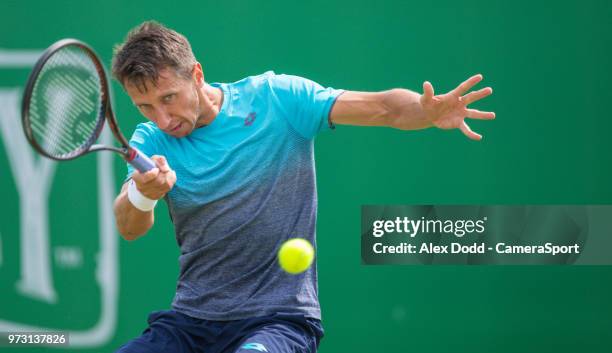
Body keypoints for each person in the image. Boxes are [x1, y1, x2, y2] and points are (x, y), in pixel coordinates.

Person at [112, 21, 494, 353]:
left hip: (280, 321)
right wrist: (146, 192)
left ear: (196, 75)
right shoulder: (150, 141)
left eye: (168, 99)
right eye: (145, 107)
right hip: (190, 322)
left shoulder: (276, 99)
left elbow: (384, 108)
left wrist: (427, 111)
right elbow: (128, 227)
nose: (162, 119)